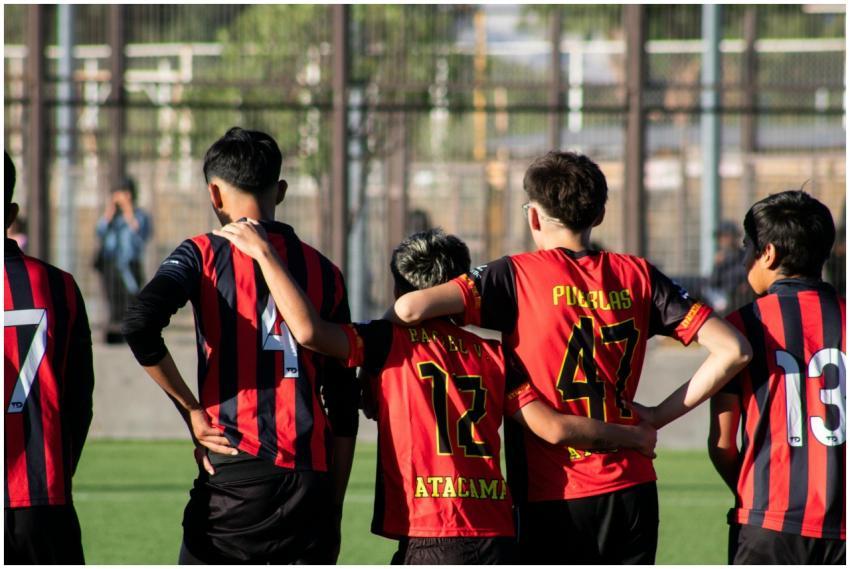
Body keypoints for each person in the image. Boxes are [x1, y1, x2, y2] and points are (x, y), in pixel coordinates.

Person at [214, 222, 658, 564]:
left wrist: (266, 254)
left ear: (396, 288)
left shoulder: (386, 343)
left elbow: (309, 332)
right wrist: (631, 436)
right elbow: (555, 429)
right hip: (497, 534)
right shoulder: (494, 354)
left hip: (433, 532)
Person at [388, 151, 752, 564]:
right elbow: (734, 350)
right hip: (631, 486)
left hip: (553, 492)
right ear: (598, 216)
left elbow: (410, 309)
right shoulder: (638, 274)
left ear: (534, 217)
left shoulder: (514, 275)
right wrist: (655, 416)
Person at [123, 127, 359, 564]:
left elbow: (139, 324)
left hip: (237, 470)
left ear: (214, 194)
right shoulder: (326, 271)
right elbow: (343, 403)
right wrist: (333, 502)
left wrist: (191, 409)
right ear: (281, 191)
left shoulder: (201, 254)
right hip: (313, 477)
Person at [707, 190, 845, 565]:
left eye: (746, 246)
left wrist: (754, 492)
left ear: (767, 253)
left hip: (768, 521)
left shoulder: (740, 328)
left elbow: (721, 443)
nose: (744, 256)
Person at [4, 151, 95, 563]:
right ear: (11, 212)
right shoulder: (60, 287)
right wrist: (57, 469)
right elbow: (80, 400)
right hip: (44, 501)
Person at [95, 176, 152, 343]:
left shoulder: (140, 215)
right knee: (113, 299)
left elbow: (139, 234)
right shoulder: (112, 217)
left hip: (130, 263)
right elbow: (100, 233)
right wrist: (109, 213)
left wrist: (128, 210)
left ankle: (132, 333)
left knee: (132, 299)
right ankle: (113, 333)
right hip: (111, 263)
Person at [705, 220, 751, 314]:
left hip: (745, 300)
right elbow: (713, 284)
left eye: (727, 236)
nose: (724, 240)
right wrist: (717, 266)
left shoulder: (746, 255)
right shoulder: (720, 258)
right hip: (727, 303)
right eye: (721, 237)